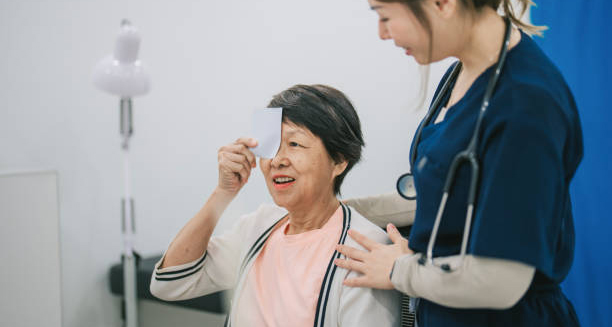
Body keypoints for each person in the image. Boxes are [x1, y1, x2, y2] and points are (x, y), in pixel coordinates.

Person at [334, 0, 583, 326]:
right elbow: (449, 192)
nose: (382, 33)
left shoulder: (526, 103)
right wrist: (337, 211)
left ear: (442, 3)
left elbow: (499, 282)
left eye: (384, 15)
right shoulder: (464, 72)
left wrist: (398, 270)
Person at [149, 84, 400, 326]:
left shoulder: (365, 249)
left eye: (294, 144)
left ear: (339, 161)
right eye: (272, 146)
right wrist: (224, 192)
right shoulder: (259, 228)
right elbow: (169, 283)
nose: (277, 161)